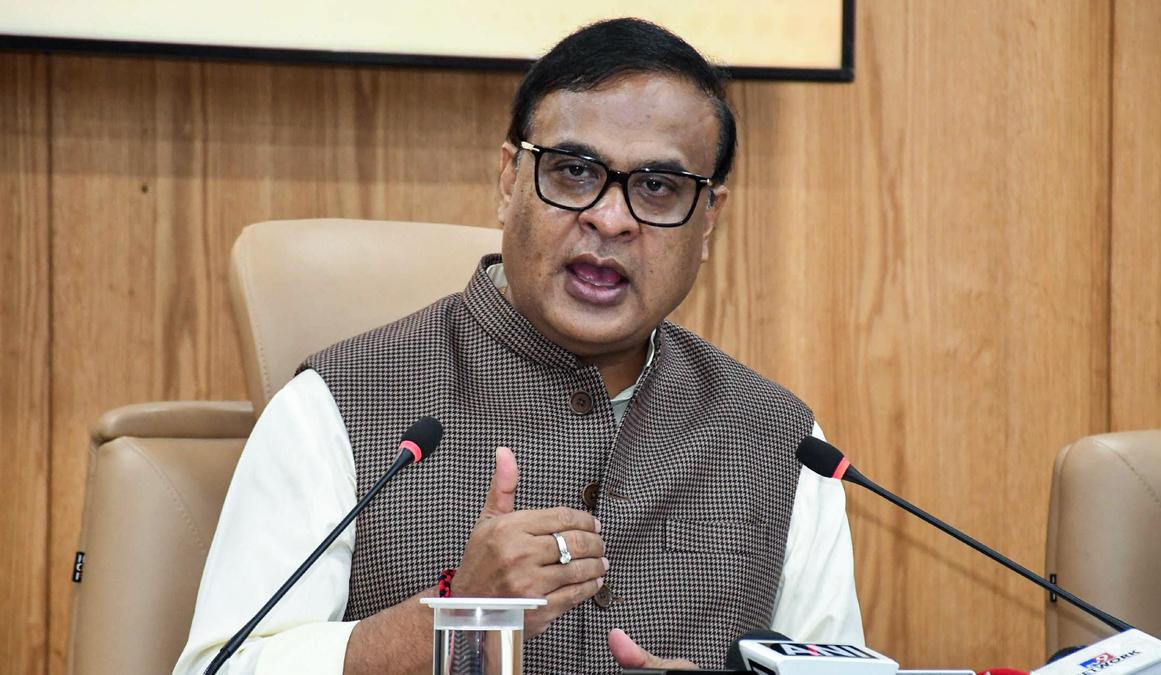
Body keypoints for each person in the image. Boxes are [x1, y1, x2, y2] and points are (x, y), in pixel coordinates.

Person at [174, 17, 863, 675]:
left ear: (708, 220)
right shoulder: (337, 406)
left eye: (657, 187)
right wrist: (454, 617)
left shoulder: (784, 443)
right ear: (509, 181)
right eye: (574, 171)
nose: (610, 219)